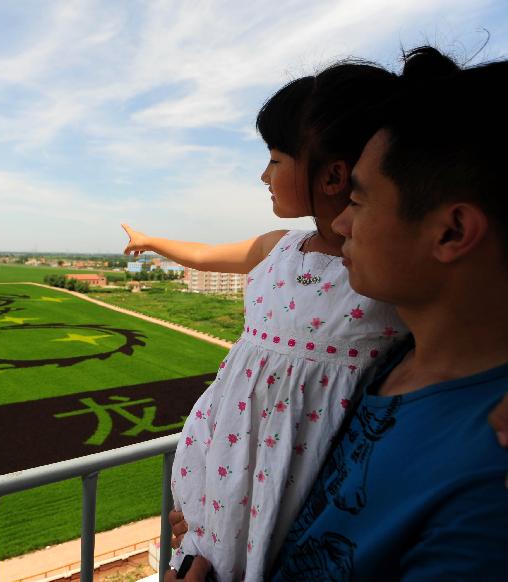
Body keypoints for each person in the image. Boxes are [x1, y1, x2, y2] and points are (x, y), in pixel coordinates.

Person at [168, 46, 508, 581]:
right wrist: (219, 515)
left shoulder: (481, 485)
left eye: (360, 200)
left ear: (452, 232)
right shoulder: (389, 375)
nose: (341, 225)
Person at [123, 60, 408, 581]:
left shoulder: (385, 275)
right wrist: (151, 241)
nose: (264, 175)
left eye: (275, 159)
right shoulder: (278, 247)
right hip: (227, 472)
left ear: (332, 175)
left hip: (298, 484)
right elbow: (204, 254)